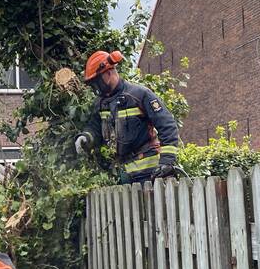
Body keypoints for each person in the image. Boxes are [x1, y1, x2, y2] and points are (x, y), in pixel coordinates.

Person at [74, 50, 181, 183]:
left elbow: (168, 125)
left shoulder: (139, 95)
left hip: (151, 172)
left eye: (97, 81)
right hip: (126, 174)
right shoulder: (101, 103)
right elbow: (94, 126)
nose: (96, 87)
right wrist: (86, 137)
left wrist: (167, 162)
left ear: (108, 73)